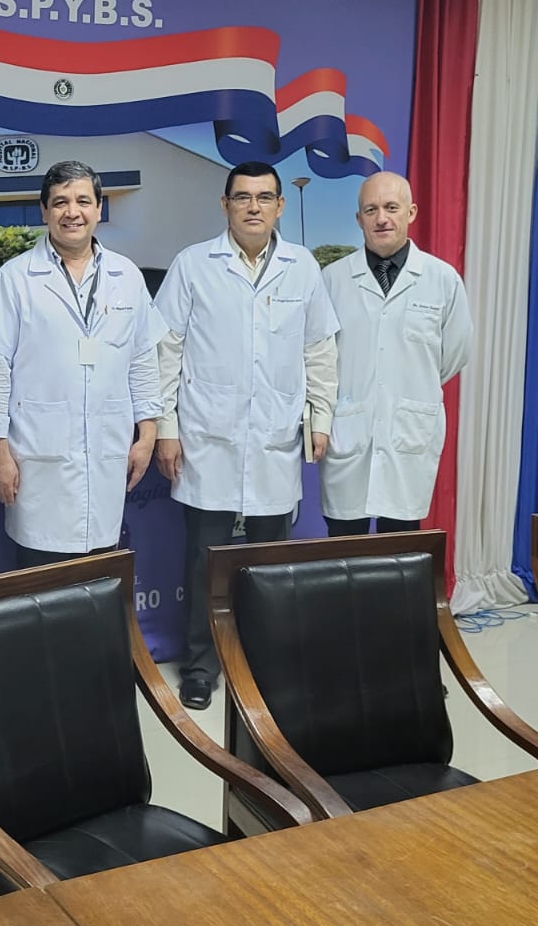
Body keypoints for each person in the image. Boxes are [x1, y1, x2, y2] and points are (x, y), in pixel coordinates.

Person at [154, 161, 338, 709]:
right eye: (242, 197)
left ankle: (262, 663)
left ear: (281, 206)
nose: (253, 206)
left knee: (269, 562)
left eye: (264, 197)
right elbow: (166, 350)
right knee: (203, 559)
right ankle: (200, 665)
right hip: (207, 435)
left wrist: (320, 418)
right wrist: (167, 427)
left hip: (276, 437)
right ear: (225, 205)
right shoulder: (193, 265)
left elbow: (319, 351)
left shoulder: (302, 268)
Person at [0, 161, 161, 565]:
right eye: (60, 202)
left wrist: (148, 434)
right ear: (43, 211)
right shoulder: (15, 278)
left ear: (99, 208)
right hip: (37, 461)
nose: (72, 211)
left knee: (98, 581)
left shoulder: (126, 276)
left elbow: (143, 361)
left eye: (83, 200)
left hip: (107, 453)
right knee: (41, 585)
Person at [320, 171, 473, 535]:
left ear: (411, 212)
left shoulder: (442, 279)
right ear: (358, 219)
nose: (381, 218)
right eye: (370, 210)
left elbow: (454, 353)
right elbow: (320, 356)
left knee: (400, 557)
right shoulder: (333, 279)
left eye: (391, 207)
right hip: (348, 433)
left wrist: (407, 382)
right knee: (343, 554)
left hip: (409, 434)